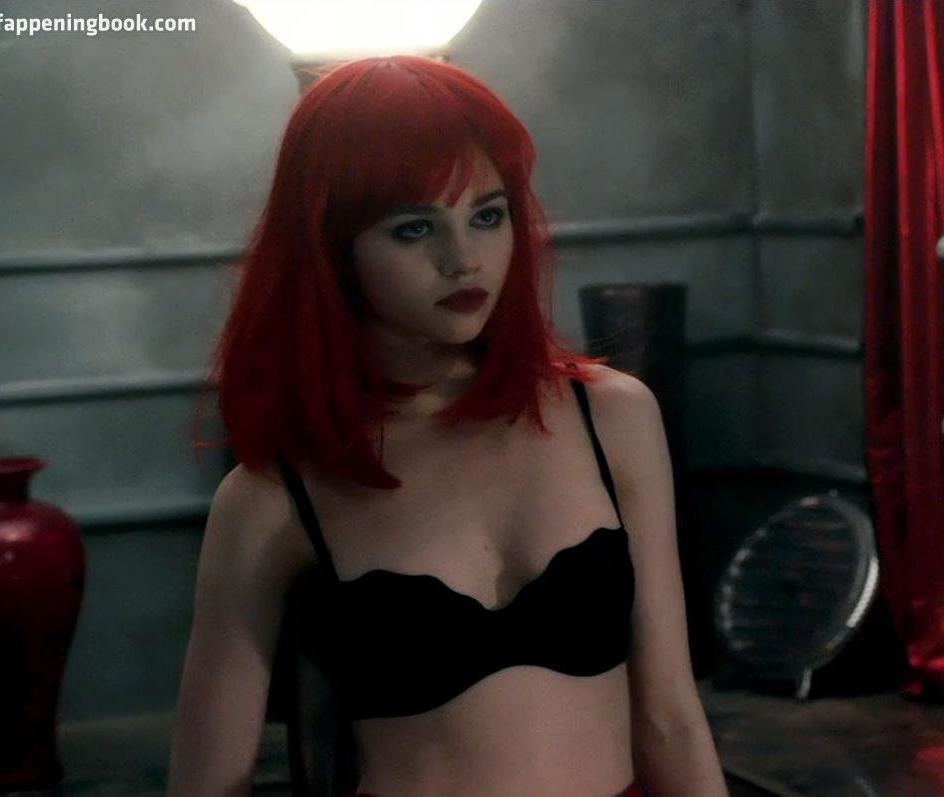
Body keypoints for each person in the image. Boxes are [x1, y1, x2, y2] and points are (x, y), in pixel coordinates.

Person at [167, 56, 727, 797]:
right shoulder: (274, 495)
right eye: (414, 228)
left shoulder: (612, 415)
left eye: (487, 216)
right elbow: (207, 783)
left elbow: (670, 716)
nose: (464, 260)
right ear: (333, 249)